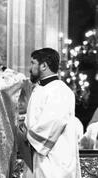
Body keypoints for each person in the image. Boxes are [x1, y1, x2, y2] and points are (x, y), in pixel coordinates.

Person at [18, 48, 81, 178]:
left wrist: (27, 135)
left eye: (33, 63)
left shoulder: (59, 90)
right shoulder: (40, 89)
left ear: (44, 65)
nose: (30, 68)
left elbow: (53, 123)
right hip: (38, 160)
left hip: (54, 163)